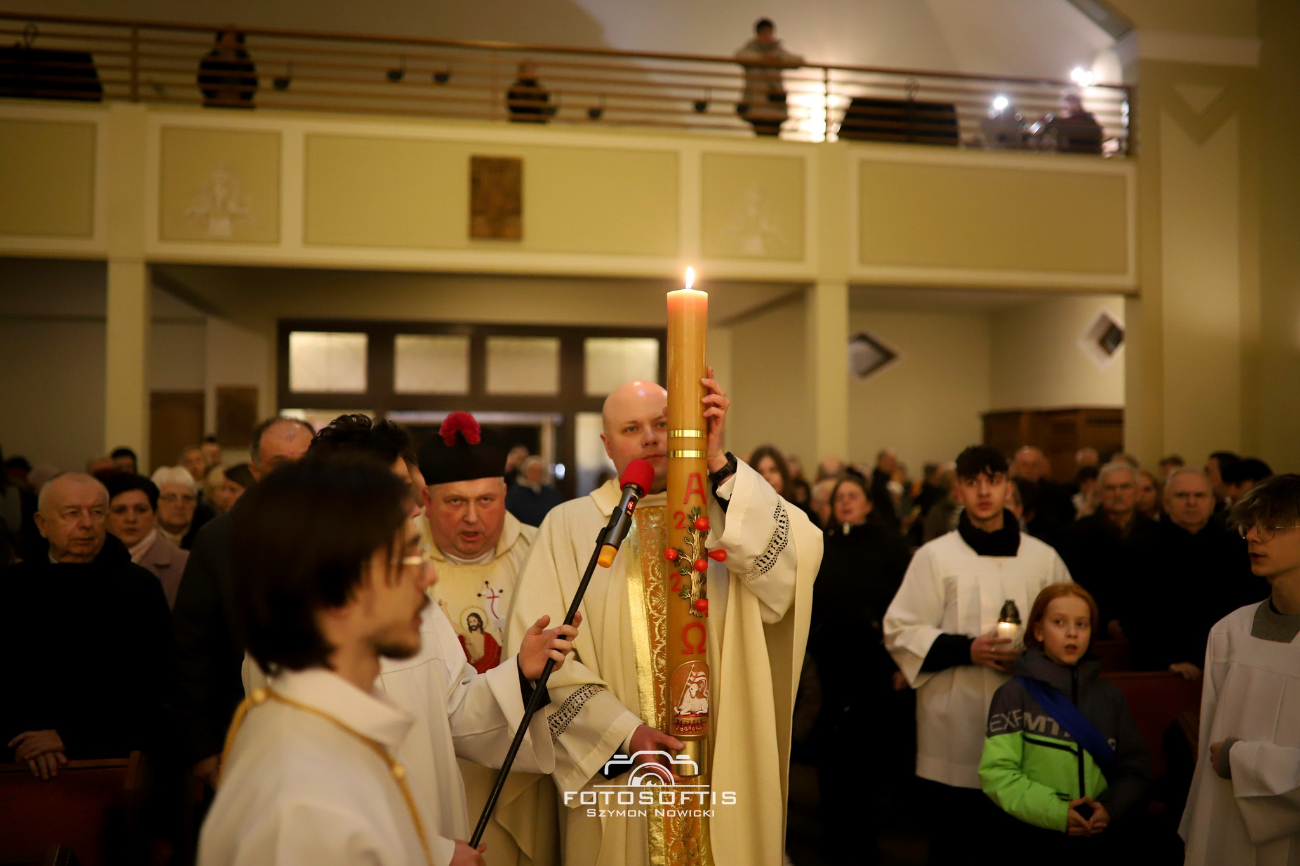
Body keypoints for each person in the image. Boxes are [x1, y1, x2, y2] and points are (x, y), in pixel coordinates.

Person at [201, 457, 578, 866]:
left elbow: (451, 708)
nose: (430, 577)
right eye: (408, 558)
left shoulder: (405, 621)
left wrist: (520, 675)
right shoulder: (293, 693)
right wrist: (430, 854)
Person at [507, 377, 821, 866]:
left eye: (663, 424)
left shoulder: (726, 508)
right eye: (632, 429)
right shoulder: (568, 526)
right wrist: (622, 733)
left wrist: (718, 462)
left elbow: (792, 567)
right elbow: (543, 659)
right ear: (608, 445)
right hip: (618, 769)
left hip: (719, 753)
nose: (652, 438)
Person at [883, 445, 1071, 865]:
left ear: (1008, 488)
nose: (983, 491)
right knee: (958, 844)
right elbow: (900, 629)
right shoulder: (935, 556)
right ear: (958, 491)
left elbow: (1072, 625)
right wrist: (967, 648)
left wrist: (1031, 654)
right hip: (956, 719)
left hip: (1030, 716)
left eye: (993, 481)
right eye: (972, 482)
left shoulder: (1043, 557)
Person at [418, 412, 554, 866]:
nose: (472, 518)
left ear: (505, 496)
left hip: (521, 762)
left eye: (486, 500)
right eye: (454, 501)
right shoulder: (399, 560)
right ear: (427, 500)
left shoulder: (542, 552)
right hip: (436, 762)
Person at [173, 416, 315, 793]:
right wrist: (203, 749)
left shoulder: (344, 530)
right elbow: (192, 649)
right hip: (245, 731)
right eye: (283, 466)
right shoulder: (219, 539)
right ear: (255, 471)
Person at [0, 473, 172, 776]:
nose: (86, 523)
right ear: (42, 523)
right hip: (20, 756)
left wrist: (66, 735)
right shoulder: (13, 588)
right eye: (71, 513)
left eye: (96, 512)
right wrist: (30, 739)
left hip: (110, 756)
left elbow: (150, 683)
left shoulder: (138, 588)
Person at [979, 584, 1150, 859]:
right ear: (1038, 630)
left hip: (1099, 835)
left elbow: (1135, 770)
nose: (1072, 633)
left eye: (1081, 624)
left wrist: (1109, 808)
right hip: (1031, 836)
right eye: (1059, 623)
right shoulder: (1013, 695)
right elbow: (998, 775)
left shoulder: (1110, 698)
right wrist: (1058, 812)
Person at [1180, 474, 1300, 864]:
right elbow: (1205, 754)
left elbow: (1224, 753)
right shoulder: (1229, 632)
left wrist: (1242, 759)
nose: (1252, 536)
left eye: (1272, 526)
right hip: (1224, 820)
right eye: (1250, 525)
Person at [809, 473, 912, 864]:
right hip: (831, 666)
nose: (847, 503)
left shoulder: (889, 546)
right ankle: (832, 841)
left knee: (868, 759)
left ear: (869, 504)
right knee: (833, 761)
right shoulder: (823, 545)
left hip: (874, 666)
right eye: (840, 498)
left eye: (854, 496)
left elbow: (903, 605)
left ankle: (865, 843)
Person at [1126, 468, 1263, 678]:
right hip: (1164, 667)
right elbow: (1135, 614)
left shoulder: (1236, 548)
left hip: (1230, 663)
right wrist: (1167, 661)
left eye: (1199, 495)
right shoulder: (1140, 547)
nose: (1191, 502)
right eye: (1182, 495)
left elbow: (1248, 606)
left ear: (1212, 502)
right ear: (1166, 502)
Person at [1060, 463, 1159, 636]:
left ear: (1137, 492)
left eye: (1125, 487)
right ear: (1100, 493)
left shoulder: (1158, 533)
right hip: (1092, 628)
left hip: (1148, 630)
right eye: (1111, 488)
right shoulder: (1076, 533)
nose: (1118, 493)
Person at [105, 473, 190, 608]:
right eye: (120, 510)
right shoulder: (91, 559)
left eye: (141, 510)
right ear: (105, 516)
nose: (131, 519)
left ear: (155, 514)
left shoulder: (183, 563)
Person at [735, 18, 802, 137]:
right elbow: (739, 56)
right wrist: (763, 58)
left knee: (774, 142)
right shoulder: (751, 48)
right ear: (758, 34)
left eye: (768, 32)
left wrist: (776, 58)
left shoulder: (777, 51)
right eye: (763, 32)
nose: (766, 35)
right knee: (760, 141)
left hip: (775, 107)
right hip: (757, 107)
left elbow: (798, 61)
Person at [152, 465, 214, 550]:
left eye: (187, 498)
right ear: (155, 502)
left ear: (195, 503)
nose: (179, 504)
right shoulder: (143, 538)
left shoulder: (209, 538)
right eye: (170, 497)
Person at [197, 29, 257, 109]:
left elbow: (252, 82)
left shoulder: (245, 59)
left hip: (239, 101)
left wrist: (240, 96)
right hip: (216, 100)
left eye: (232, 40)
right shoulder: (210, 59)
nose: (230, 42)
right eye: (227, 39)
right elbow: (203, 80)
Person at [505, 455, 566, 527]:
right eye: (532, 470)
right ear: (525, 472)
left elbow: (560, 512)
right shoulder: (516, 493)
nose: (535, 474)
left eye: (539, 471)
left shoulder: (551, 492)